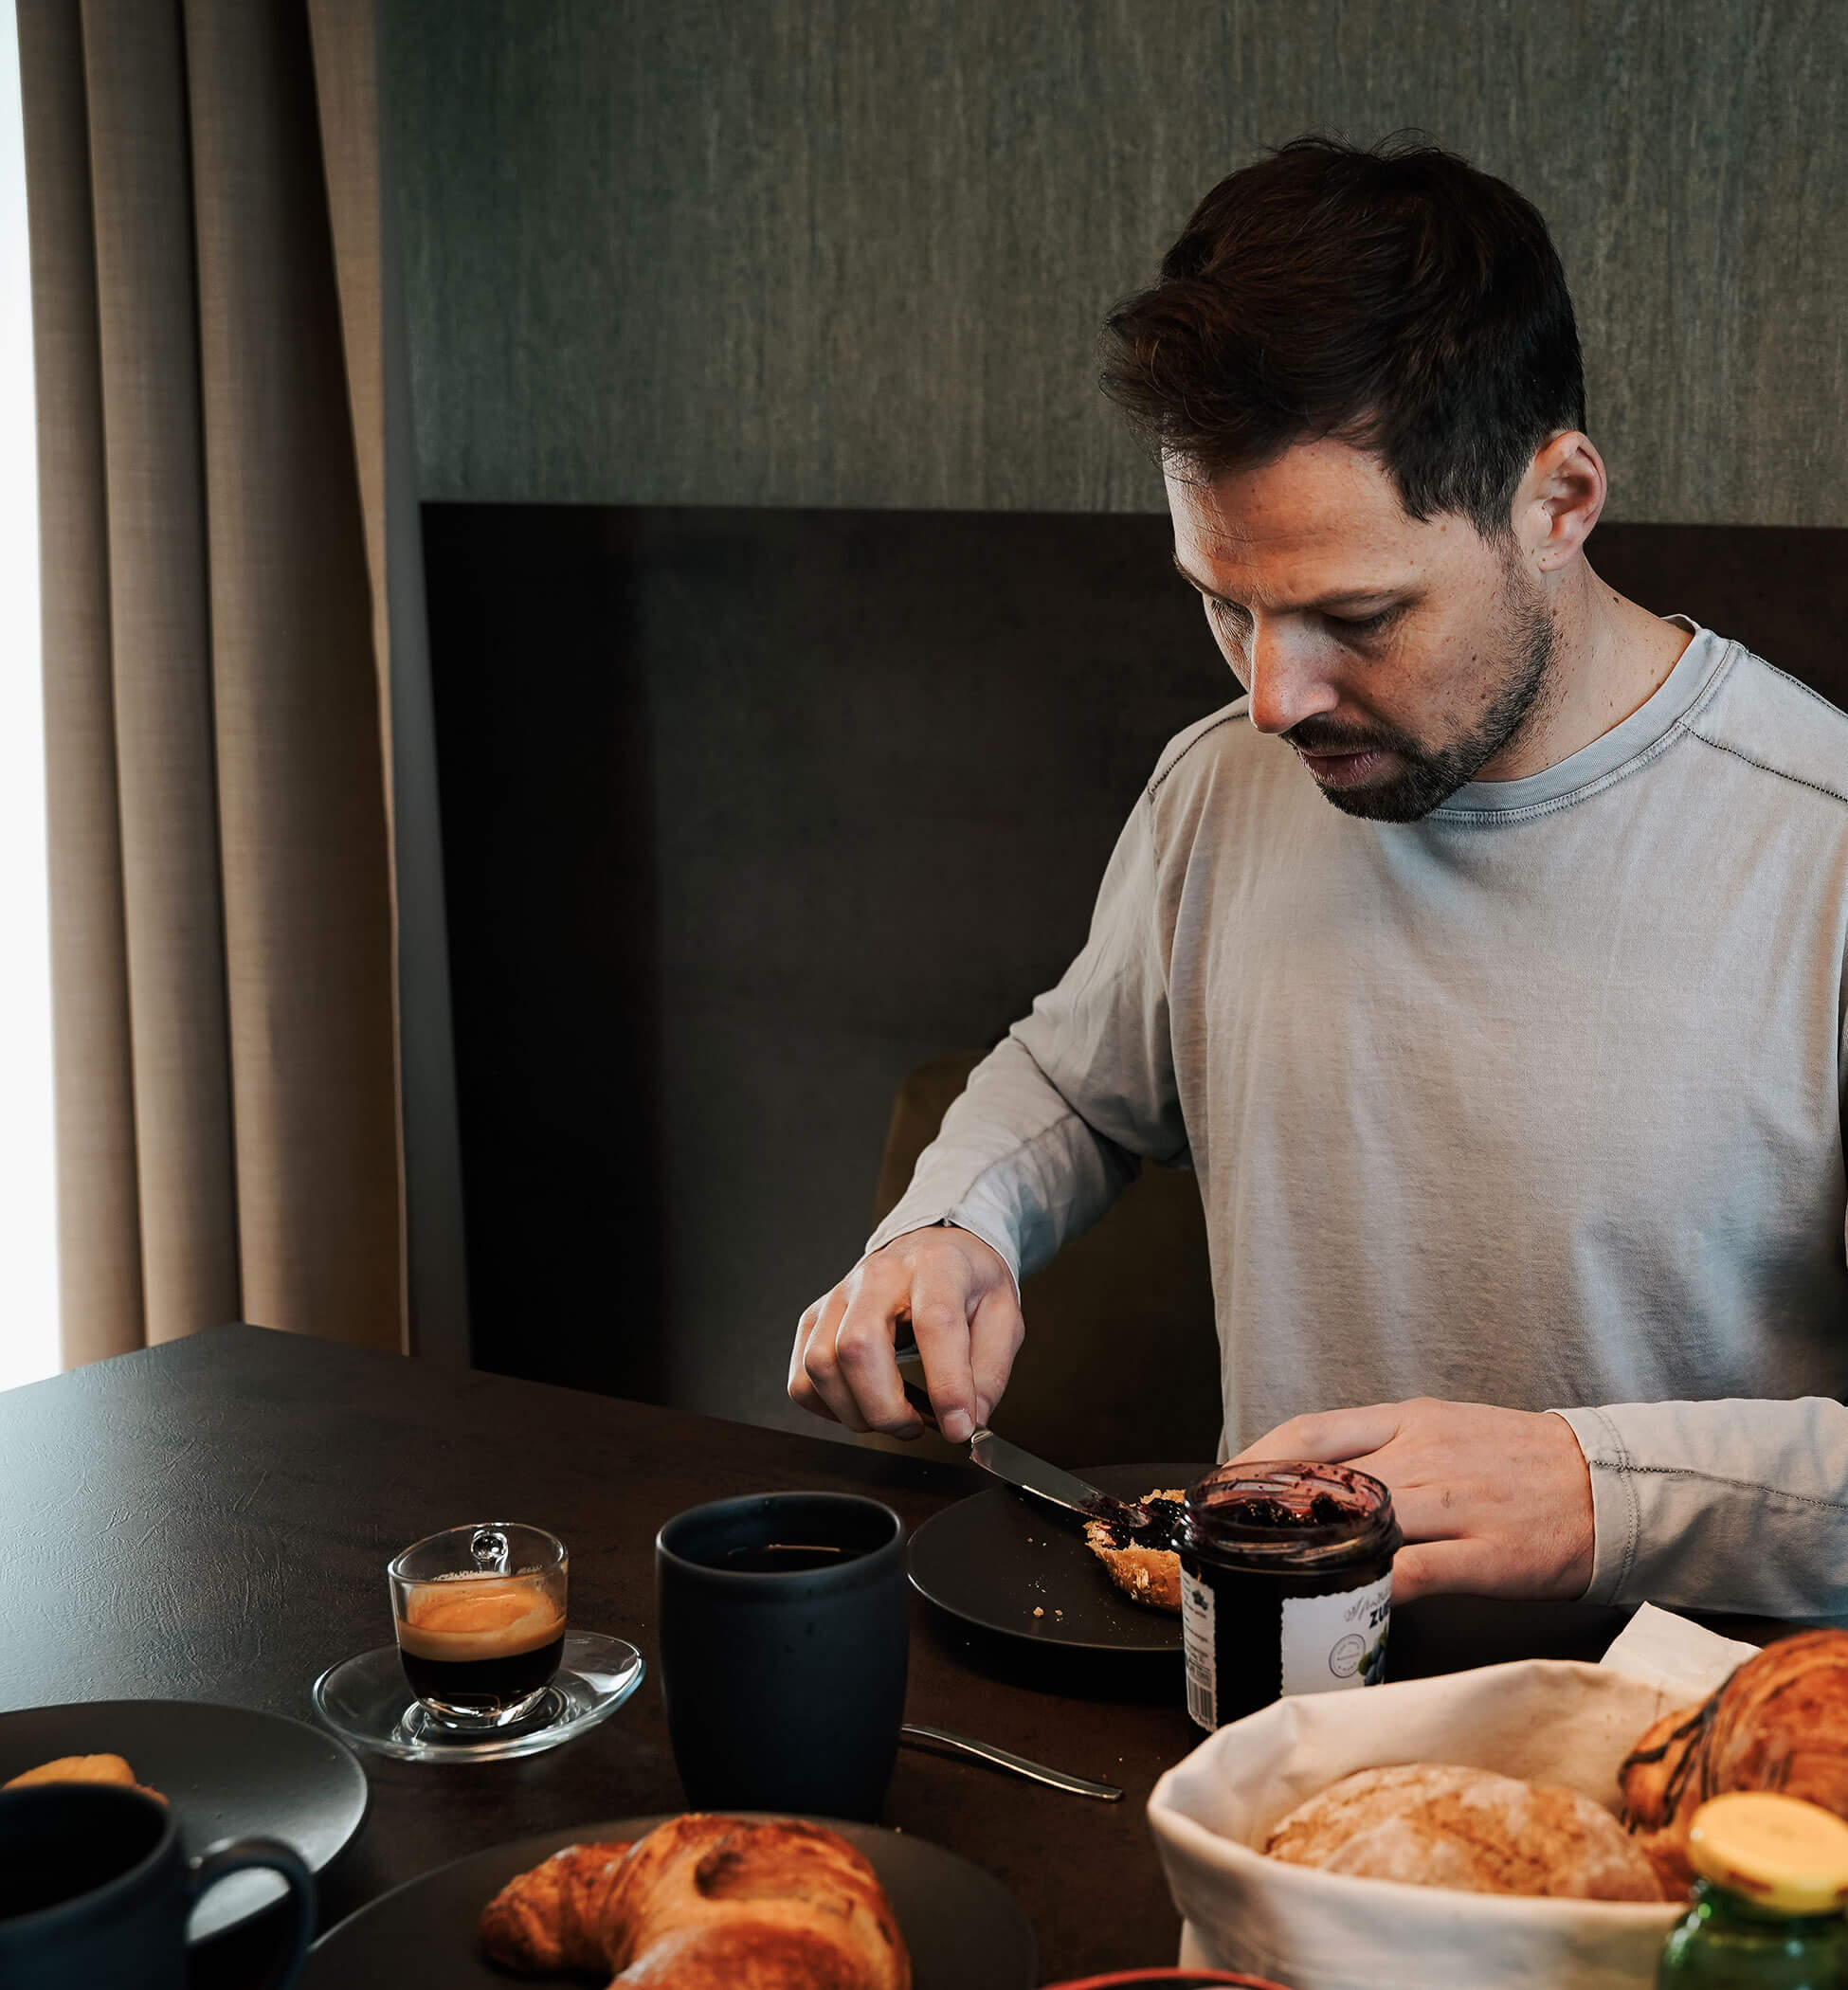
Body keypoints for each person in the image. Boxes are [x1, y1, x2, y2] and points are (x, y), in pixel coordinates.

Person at [787, 135, 1848, 1620]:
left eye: (1355, 613)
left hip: (1685, 1765)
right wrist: (953, 1220)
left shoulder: (1824, 846)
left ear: (1557, 500)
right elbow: (1079, 1085)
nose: (1275, 696)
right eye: (1225, 606)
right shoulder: (1221, 781)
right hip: (1253, 1707)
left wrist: (1601, 1493)